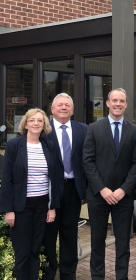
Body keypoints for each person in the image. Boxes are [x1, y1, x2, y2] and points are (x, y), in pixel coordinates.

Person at [82, 88, 136, 279]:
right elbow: (87, 161)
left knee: (123, 242)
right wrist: (102, 189)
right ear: (107, 103)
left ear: (126, 104)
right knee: (97, 242)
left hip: (123, 198)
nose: (118, 104)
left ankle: (121, 276)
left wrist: (124, 190)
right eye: (114, 100)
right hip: (98, 196)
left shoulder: (134, 131)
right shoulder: (93, 128)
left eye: (122, 101)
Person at [0, 108, 59, 280]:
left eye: (39, 121)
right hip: (21, 207)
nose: (36, 123)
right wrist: (8, 210)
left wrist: (52, 207)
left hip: (42, 205)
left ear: (44, 125)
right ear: (25, 124)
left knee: (35, 250)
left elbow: (53, 178)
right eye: (32, 120)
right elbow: (7, 178)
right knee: (23, 252)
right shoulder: (14, 145)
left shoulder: (49, 145)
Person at [42, 93, 88, 280]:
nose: (63, 108)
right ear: (52, 110)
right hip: (50, 188)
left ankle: (68, 273)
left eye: (67, 105)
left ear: (72, 109)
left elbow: (88, 161)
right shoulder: (43, 131)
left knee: (70, 232)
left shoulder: (83, 130)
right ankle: (49, 271)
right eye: (59, 105)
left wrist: (84, 189)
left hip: (73, 189)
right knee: (49, 232)